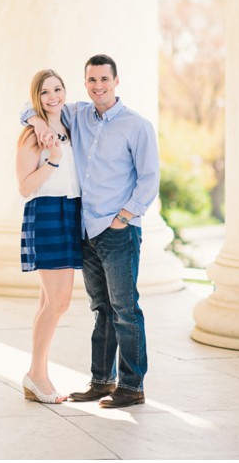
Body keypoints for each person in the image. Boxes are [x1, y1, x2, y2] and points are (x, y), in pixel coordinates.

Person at [22, 54, 159, 409]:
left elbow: (149, 179)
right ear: (85, 84)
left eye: (104, 79)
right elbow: (36, 102)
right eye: (92, 80)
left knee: (125, 310)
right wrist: (36, 121)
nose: (98, 86)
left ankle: (132, 386)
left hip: (117, 229)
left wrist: (125, 217)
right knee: (101, 309)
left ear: (116, 81)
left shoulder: (136, 125)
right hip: (83, 229)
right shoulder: (78, 115)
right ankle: (101, 381)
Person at [16, 69, 83, 404]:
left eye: (58, 89)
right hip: (45, 213)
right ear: (36, 97)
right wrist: (53, 161)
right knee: (58, 302)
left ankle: (35, 375)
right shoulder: (31, 136)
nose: (53, 96)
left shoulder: (71, 125)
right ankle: (37, 374)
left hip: (70, 212)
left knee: (51, 302)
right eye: (45, 92)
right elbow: (25, 186)